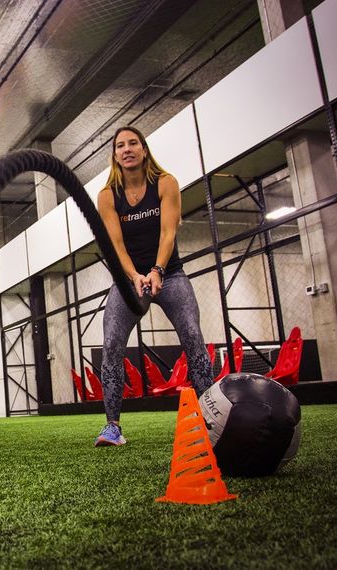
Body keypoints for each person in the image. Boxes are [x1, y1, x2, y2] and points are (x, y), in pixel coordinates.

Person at [94, 125, 213, 446]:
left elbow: (168, 233)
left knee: (192, 336)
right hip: (129, 279)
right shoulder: (107, 196)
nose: (127, 149)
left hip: (170, 274)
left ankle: (212, 419)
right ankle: (112, 427)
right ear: (115, 154)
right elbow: (116, 246)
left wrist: (158, 270)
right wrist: (135, 277)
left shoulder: (166, 183)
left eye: (133, 143)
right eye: (120, 145)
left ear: (144, 150)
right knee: (111, 345)